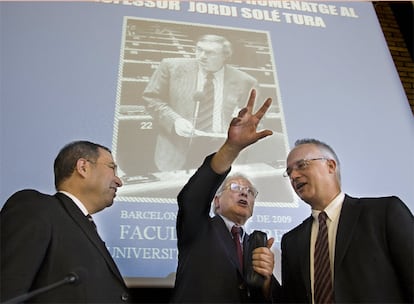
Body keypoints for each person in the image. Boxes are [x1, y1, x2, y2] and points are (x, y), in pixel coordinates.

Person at [171, 89, 281, 303]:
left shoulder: (256, 245)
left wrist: (267, 283)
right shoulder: (198, 228)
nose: (244, 192)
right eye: (235, 187)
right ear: (216, 201)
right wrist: (232, 147)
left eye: (250, 191)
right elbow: (191, 198)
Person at [280, 138, 414, 303]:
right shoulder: (291, 241)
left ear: (330, 166)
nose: (293, 176)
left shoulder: (383, 213)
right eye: (289, 171)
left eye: (302, 165)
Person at [0, 141, 131, 303]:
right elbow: (8, 290)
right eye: (112, 168)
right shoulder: (35, 208)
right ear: (83, 167)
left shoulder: (85, 226)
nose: (119, 181)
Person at [143, 34, 258, 172]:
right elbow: (151, 98)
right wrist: (175, 120)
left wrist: (242, 126)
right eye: (199, 50)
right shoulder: (171, 67)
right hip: (177, 149)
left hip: (221, 151)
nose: (202, 56)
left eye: (210, 53)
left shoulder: (245, 81)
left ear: (225, 56)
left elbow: (255, 119)